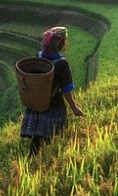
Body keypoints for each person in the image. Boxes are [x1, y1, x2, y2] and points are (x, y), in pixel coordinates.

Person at [20, 26, 84, 156]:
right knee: (50, 135)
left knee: (38, 134)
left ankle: (34, 158)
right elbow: (66, 89)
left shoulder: (38, 57)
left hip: (37, 102)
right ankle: (42, 160)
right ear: (61, 43)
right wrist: (74, 107)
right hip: (53, 103)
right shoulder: (62, 64)